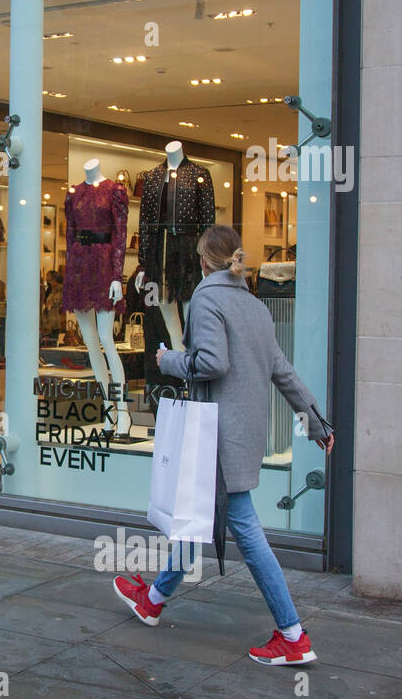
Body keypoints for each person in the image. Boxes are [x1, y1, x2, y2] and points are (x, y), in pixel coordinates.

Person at [112, 225, 335, 665]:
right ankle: (153, 599)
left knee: (246, 531)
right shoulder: (254, 306)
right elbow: (283, 371)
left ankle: (292, 635)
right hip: (243, 432)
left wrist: (167, 360)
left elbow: (212, 362)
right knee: (200, 515)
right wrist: (317, 422)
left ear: (202, 261)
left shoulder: (208, 299)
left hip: (216, 435)